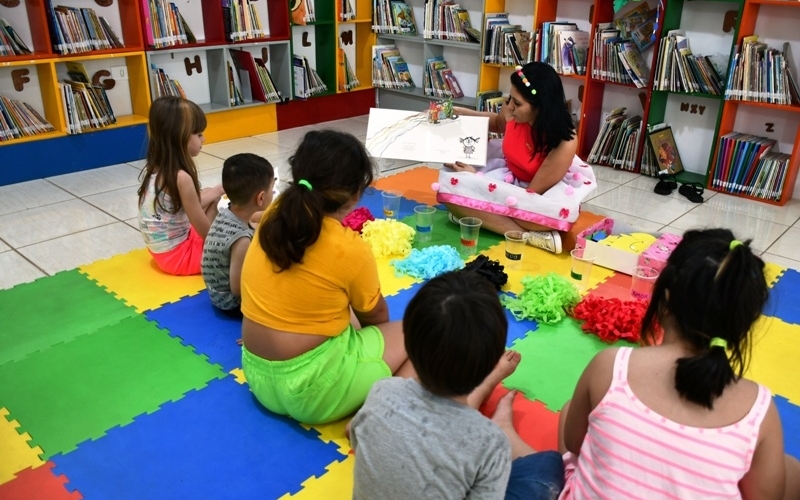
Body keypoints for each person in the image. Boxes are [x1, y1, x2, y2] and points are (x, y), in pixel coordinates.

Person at [551, 228, 800, 499]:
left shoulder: (611, 365)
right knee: (791, 469)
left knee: (569, 411)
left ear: (665, 299)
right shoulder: (759, 410)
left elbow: (575, 442)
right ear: (743, 323)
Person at [240, 129, 413, 425]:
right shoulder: (349, 247)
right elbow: (377, 316)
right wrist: (380, 342)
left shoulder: (273, 215)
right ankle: (376, 418)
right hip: (316, 392)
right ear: (356, 193)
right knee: (420, 334)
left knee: (340, 307)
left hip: (257, 376)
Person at [351, 270, 557, 499]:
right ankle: (497, 413)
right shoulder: (490, 443)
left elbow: (356, 436)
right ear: (489, 360)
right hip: (481, 439)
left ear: (408, 343)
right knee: (549, 467)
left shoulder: (382, 391)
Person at [437, 62, 598, 255]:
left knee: (530, 215)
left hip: (535, 193)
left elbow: (529, 197)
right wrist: (460, 113)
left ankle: (483, 218)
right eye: (510, 99)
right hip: (506, 176)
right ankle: (529, 237)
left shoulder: (564, 141)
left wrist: (476, 182)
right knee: (448, 185)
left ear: (541, 107)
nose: (510, 107)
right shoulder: (512, 109)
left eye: (518, 103)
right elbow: (497, 123)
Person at [137, 96, 223, 276]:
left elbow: (191, 205)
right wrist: (225, 248)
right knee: (218, 205)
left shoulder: (157, 169)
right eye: (199, 134)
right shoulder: (181, 178)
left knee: (208, 193)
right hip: (180, 258)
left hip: (161, 253)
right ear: (180, 137)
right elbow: (206, 232)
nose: (204, 139)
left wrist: (216, 190)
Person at [201, 153, 274, 318]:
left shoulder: (228, 213)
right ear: (261, 198)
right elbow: (237, 288)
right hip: (231, 303)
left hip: (217, 292)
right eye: (272, 188)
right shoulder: (241, 240)